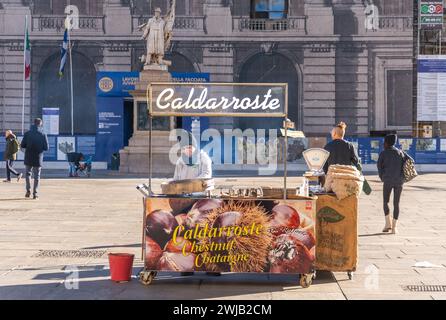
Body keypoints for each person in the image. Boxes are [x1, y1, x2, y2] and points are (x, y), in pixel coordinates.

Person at [377, 134, 406, 234]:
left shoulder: (383, 154)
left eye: (384, 142)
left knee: (386, 202)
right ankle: (394, 227)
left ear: (386, 143)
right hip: (399, 181)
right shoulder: (400, 153)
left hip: (388, 181)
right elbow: (407, 164)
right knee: (396, 203)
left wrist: (382, 177)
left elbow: (379, 167)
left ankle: (387, 224)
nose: (383, 144)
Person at [20, 118, 49, 200]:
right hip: (38, 157)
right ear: (40, 124)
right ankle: (35, 194)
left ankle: (28, 191)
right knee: (37, 176)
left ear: (33, 123)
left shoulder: (27, 134)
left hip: (28, 156)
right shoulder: (43, 134)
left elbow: (22, 145)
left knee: (28, 174)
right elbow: (46, 148)